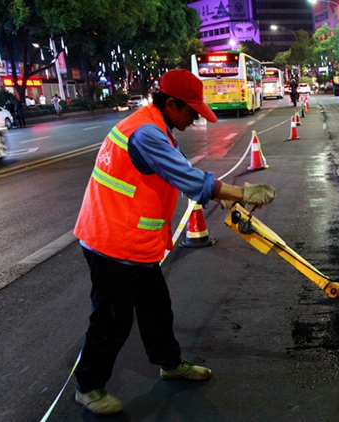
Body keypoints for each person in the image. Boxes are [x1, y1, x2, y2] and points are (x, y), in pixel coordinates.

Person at [72, 69, 276, 415]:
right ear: (170, 104)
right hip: (110, 242)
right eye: (191, 111)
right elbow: (187, 176)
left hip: (136, 242)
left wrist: (219, 195)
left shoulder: (157, 125)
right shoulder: (146, 132)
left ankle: (169, 364)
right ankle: (88, 387)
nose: (196, 118)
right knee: (112, 320)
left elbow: (179, 173)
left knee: (156, 308)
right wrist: (240, 192)